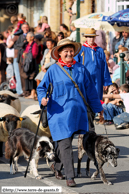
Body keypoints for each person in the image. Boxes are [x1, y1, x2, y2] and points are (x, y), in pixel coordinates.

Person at [37, 39, 103, 187]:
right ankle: (70, 176)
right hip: (58, 114)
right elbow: (41, 88)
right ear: (59, 53)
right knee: (65, 143)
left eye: (71, 50)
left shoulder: (81, 68)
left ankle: (57, 166)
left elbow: (91, 90)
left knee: (65, 143)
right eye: (65, 51)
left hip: (78, 113)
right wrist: (42, 99)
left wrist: (98, 109)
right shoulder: (53, 70)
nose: (69, 53)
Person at [74, 28, 112, 101]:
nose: (91, 39)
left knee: (97, 99)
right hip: (85, 78)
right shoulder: (80, 49)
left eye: (93, 37)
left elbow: (104, 67)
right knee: (85, 99)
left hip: (98, 79)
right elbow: (76, 65)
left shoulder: (100, 50)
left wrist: (106, 82)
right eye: (89, 37)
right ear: (86, 37)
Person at [22, 32, 38, 99]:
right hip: (28, 63)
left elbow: (34, 54)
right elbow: (24, 54)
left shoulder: (34, 44)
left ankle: (33, 93)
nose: (26, 38)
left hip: (33, 64)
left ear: (32, 37)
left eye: (28, 36)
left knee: (32, 78)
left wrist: (26, 54)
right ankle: (31, 93)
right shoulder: (28, 44)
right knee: (29, 78)